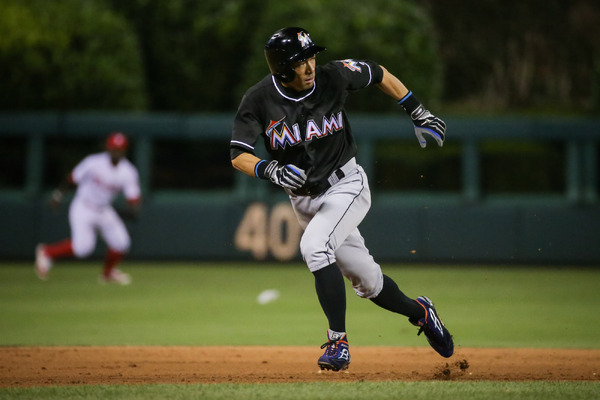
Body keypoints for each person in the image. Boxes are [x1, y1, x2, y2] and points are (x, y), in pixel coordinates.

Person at [230, 27, 453, 371]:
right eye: (300, 61)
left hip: (346, 185)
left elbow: (379, 73)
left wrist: (417, 111)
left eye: (311, 57)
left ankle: (338, 343)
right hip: (304, 200)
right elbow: (238, 154)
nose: (310, 66)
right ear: (282, 69)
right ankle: (422, 312)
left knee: (314, 247)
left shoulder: (333, 75)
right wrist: (267, 169)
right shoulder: (259, 98)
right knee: (369, 282)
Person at [35, 132, 141, 285]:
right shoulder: (94, 162)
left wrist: (130, 210)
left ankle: (108, 274)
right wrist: (58, 195)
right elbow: (73, 178)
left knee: (121, 243)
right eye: (114, 148)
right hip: (84, 206)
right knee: (83, 249)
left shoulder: (128, 171)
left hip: (104, 209)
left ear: (125, 151)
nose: (116, 152)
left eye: (120, 149)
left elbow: (133, 201)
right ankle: (47, 252)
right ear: (108, 148)